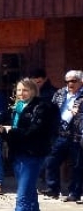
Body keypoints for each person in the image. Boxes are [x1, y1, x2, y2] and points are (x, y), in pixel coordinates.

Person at [0, 78, 58, 211]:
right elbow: (8, 132)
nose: (21, 94)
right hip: (17, 156)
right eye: (19, 90)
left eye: (25, 90)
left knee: (22, 198)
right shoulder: (16, 108)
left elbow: (34, 132)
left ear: (33, 91)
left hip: (32, 156)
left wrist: (10, 130)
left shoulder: (42, 107)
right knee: (30, 197)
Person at [43, 70, 83, 200]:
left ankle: (74, 193)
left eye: (73, 81)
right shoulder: (60, 93)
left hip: (76, 135)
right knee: (51, 161)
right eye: (67, 81)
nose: (70, 84)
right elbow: (51, 109)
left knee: (76, 165)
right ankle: (52, 189)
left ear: (81, 81)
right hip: (60, 133)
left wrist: (80, 113)